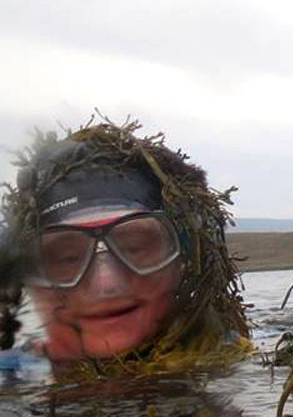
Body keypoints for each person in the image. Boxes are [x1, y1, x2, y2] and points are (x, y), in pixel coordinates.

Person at [1, 122, 247, 366]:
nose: (106, 283)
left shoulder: (241, 361)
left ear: (185, 259)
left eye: (135, 248)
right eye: (68, 258)